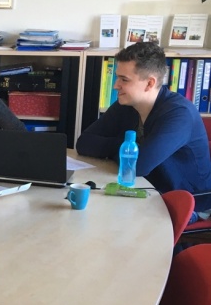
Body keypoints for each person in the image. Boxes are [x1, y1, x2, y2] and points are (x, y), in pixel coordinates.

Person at [76, 41, 211, 208]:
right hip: (146, 189)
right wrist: (126, 147)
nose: (116, 85)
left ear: (149, 83)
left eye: (124, 79)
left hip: (187, 202)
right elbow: (84, 143)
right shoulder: (126, 104)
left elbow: (138, 166)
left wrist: (126, 152)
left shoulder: (179, 114)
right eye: (117, 77)